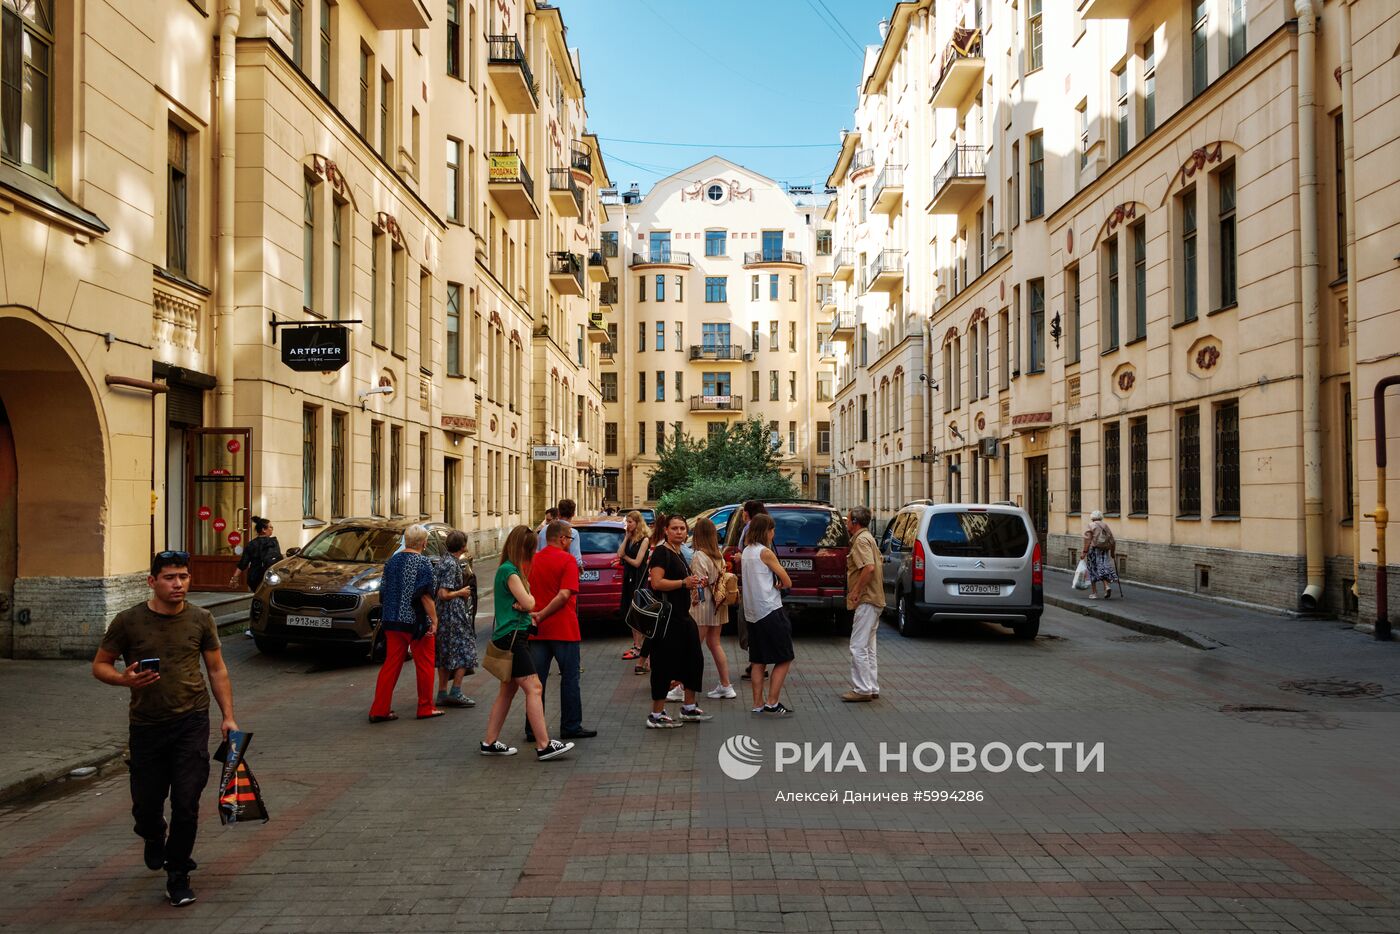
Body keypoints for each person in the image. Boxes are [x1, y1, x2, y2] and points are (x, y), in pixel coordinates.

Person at [92, 550, 237, 908]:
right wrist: (124, 680)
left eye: (184, 577)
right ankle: (153, 835)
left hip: (191, 719)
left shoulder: (201, 619)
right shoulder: (129, 622)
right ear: (152, 581)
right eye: (170, 577)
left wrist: (228, 716)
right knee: (146, 804)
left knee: (186, 803)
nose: (178, 584)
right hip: (147, 726)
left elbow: (217, 670)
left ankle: (178, 874)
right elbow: (100, 665)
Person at [480, 526, 574, 761]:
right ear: (524, 548)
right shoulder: (511, 572)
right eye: (532, 548)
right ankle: (544, 745)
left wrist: (525, 607)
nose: (534, 553)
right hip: (514, 638)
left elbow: (524, 605)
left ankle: (489, 742)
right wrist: (527, 603)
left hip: (508, 634)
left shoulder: (506, 569)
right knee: (534, 688)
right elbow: (530, 602)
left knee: (508, 691)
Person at [526, 521, 597, 740]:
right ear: (563, 539)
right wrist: (544, 613)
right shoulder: (567, 560)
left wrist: (537, 615)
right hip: (564, 628)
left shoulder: (532, 561)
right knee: (569, 679)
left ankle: (532, 729)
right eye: (570, 539)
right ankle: (571, 726)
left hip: (537, 631)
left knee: (536, 683)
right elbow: (565, 594)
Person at [643, 515, 713, 728]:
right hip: (667, 619)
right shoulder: (662, 553)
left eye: (682, 528)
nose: (680, 532)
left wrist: (693, 586)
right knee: (664, 664)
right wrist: (683, 583)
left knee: (694, 659)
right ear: (666, 530)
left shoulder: (679, 552)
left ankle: (689, 707)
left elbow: (683, 583)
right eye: (675, 528)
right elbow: (657, 583)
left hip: (683, 616)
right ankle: (656, 714)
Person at [369, 525, 442, 722]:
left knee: (391, 664)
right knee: (425, 664)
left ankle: (379, 709)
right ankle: (425, 707)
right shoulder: (423, 563)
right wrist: (434, 620)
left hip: (392, 620)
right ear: (424, 543)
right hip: (416, 622)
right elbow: (425, 596)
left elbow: (383, 592)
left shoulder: (392, 562)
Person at [741, 514, 795, 717]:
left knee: (757, 660)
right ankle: (772, 702)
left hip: (752, 613)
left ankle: (757, 703)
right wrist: (781, 582)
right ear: (767, 531)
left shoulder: (746, 551)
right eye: (772, 530)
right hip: (770, 609)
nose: (774, 533)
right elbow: (787, 581)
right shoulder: (766, 552)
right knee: (785, 657)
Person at [689, 517, 735, 700]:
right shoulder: (719, 555)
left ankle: (682, 686)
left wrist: (693, 602)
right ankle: (726, 685)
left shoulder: (699, 556)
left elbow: (698, 585)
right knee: (715, 644)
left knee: (693, 647)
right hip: (719, 604)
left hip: (704, 606)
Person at [842, 507, 884, 702]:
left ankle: (862, 689)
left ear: (855, 522)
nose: (846, 522)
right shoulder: (868, 537)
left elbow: (868, 567)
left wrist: (856, 591)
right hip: (875, 599)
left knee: (858, 646)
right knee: (868, 646)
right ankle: (872, 686)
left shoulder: (860, 540)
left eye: (848, 519)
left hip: (867, 599)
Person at [434, 530, 477, 709]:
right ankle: (456, 691)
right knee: (466, 649)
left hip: (443, 614)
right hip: (453, 614)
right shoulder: (452, 564)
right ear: (462, 546)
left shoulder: (444, 560)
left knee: (445, 652)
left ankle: (442, 692)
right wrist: (461, 592)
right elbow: (443, 593)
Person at [615, 510, 651, 669]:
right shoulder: (629, 538)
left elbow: (637, 562)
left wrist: (625, 558)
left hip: (639, 579)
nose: (627, 524)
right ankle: (636, 645)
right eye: (627, 522)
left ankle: (641, 646)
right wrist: (626, 537)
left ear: (637, 523)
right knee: (630, 611)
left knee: (638, 612)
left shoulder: (644, 539)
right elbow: (619, 552)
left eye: (630, 522)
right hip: (629, 578)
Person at [228, 516, 281, 592]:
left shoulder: (251, 544)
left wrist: (234, 578)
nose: (272, 529)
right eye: (270, 527)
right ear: (264, 529)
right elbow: (278, 559)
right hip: (270, 577)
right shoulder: (273, 542)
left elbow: (243, 563)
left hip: (254, 577)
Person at [1082, 510, 1120, 599]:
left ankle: (1094, 593)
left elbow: (1087, 540)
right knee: (1103, 567)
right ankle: (1106, 586)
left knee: (1092, 570)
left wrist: (1084, 552)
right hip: (1104, 550)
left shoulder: (1091, 525)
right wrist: (1112, 553)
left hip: (1094, 550)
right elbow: (1112, 540)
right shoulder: (1105, 525)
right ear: (1100, 517)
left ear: (1092, 517)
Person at [539, 499, 585, 569]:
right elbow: (576, 560)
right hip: (562, 572)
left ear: (558, 513)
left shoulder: (544, 530)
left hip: (542, 571)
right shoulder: (572, 532)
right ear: (573, 514)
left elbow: (538, 552)